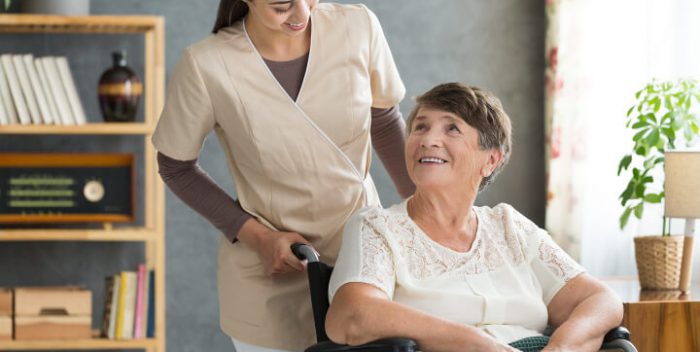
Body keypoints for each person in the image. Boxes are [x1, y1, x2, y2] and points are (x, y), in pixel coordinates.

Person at [151, 0, 415, 351]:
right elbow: (176, 167)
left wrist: (425, 214)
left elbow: (382, 120)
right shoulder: (206, 64)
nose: (303, 15)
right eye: (281, 6)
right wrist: (259, 238)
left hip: (364, 258)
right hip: (272, 273)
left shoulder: (358, 26)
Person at [326, 83, 623, 352]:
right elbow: (352, 315)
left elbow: (600, 300)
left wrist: (562, 346)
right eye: (420, 127)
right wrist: (475, 343)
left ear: (490, 160)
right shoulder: (378, 228)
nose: (428, 139)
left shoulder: (510, 226)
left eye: (451, 129)